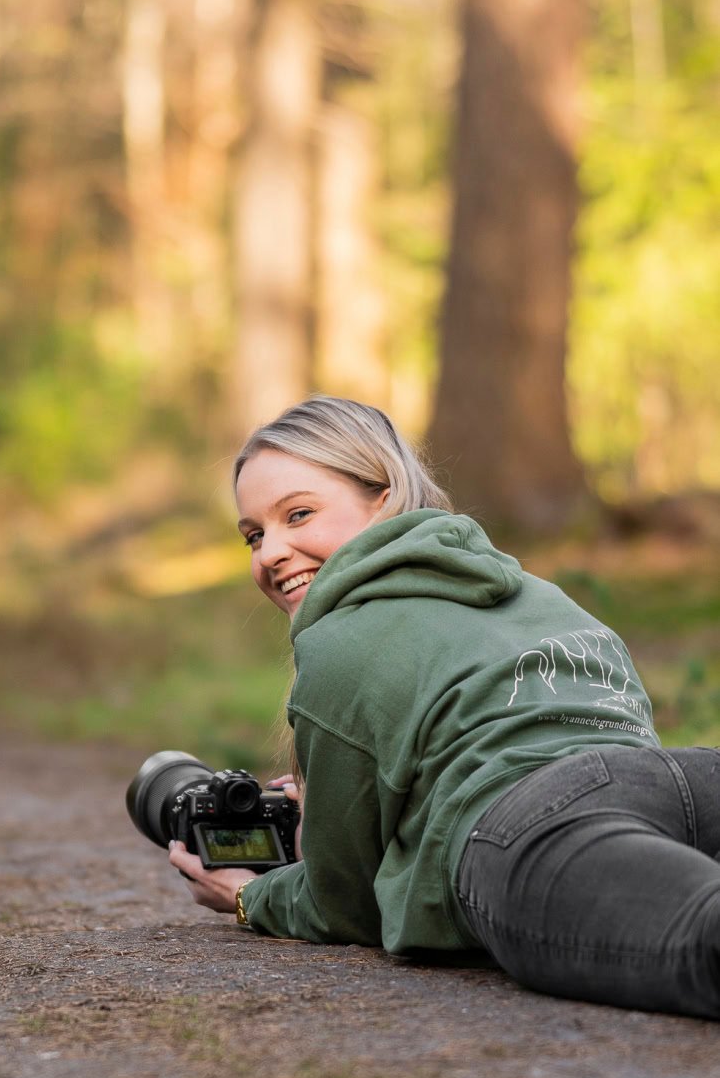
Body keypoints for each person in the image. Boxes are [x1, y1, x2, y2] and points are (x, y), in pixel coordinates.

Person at [169, 396, 720, 1020]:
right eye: (254, 535)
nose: (271, 552)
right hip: (688, 778)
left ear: (385, 499)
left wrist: (251, 896)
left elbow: (342, 904)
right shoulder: (540, 593)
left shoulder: (338, 643)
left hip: (535, 831)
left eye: (298, 514)